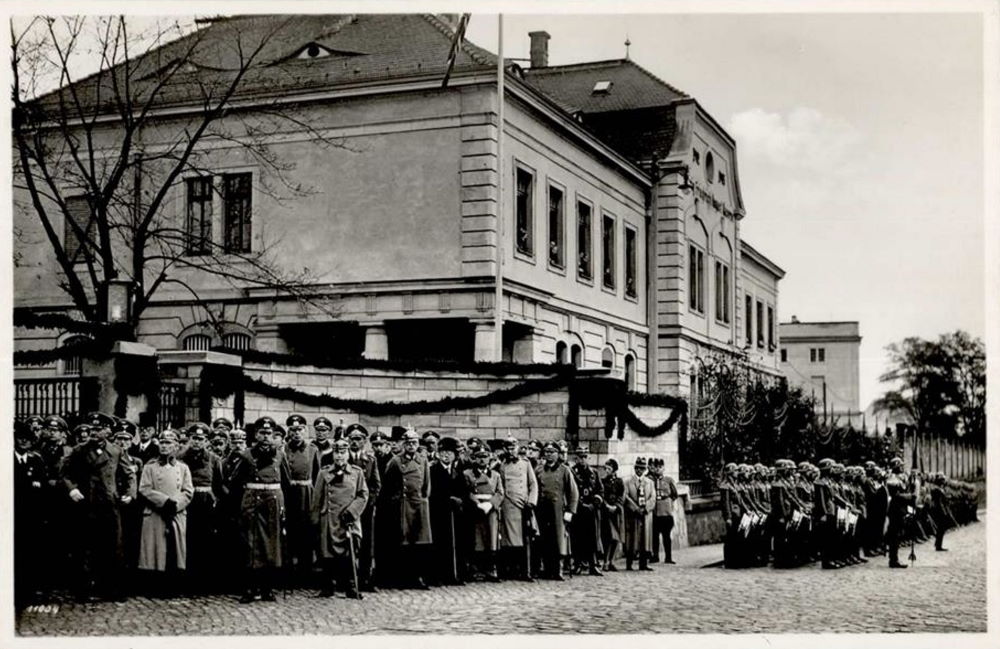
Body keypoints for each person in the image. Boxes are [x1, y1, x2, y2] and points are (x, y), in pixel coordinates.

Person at [60, 411, 130, 602]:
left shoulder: (116, 451)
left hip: (109, 503)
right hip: (87, 504)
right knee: (85, 547)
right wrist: (72, 490)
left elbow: (128, 473)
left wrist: (129, 493)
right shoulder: (79, 450)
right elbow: (64, 473)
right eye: (92, 428)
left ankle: (110, 588)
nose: (93, 432)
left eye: (98, 429)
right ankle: (82, 590)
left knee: (112, 547)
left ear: (107, 431)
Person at [229, 416, 292, 603]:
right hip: (252, 503)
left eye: (269, 433)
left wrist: (283, 506)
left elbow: (286, 482)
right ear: (256, 435)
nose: (265, 437)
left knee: (272, 546)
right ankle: (250, 588)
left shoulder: (280, 455)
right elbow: (235, 482)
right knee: (252, 545)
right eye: (262, 433)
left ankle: (267, 588)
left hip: (273, 503)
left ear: (273, 435)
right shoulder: (247, 455)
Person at [138, 430, 194, 597]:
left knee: (175, 548)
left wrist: (175, 504)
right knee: (155, 550)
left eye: (168, 443)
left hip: (176, 513)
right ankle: (155, 586)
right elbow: (144, 488)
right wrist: (163, 501)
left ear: (176, 446)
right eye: (162, 443)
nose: (164, 446)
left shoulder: (183, 468)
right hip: (156, 512)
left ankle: (173, 585)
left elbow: (188, 491)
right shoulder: (150, 467)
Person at [311, 439, 369, 598]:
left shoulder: (357, 473)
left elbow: (363, 495)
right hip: (329, 519)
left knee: (349, 552)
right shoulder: (324, 473)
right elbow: (317, 498)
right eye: (336, 453)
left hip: (348, 519)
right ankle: (327, 586)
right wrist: (315, 520)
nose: (339, 456)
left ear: (348, 454)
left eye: (342, 453)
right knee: (327, 552)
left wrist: (352, 512)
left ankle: (351, 587)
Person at [381, 429, 433, 588]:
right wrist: (395, 500)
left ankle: (418, 576)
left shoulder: (422, 460)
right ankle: (403, 577)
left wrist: (423, 499)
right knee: (403, 542)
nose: (411, 446)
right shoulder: (396, 461)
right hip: (402, 505)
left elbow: (426, 483)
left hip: (419, 504)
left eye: (414, 443)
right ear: (404, 444)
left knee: (419, 542)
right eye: (408, 443)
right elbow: (388, 485)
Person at [178, 422, 226, 593]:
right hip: (186, 502)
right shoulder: (180, 457)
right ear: (189, 439)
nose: (197, 442)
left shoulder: (213, 459)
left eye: (201, 439)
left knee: (206, 540)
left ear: (206, 441)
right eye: (194, 438)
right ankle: (186, 580)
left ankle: (204, 581)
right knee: (186, 539)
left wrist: (217, 502)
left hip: (206, 504)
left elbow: (218, 484)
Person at [283, 414, 321, 587]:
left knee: (306, 531)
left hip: (306, 495)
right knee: (288, 531)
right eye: (293, 430)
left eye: (300, 429)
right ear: (289, 431)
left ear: (305, 431)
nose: (296, 433)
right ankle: (288, 572)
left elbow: (317, 476)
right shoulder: (283, 449)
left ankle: (305, 571)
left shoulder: (312, 450)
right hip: (288, 494)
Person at [14, 419, 47, 607]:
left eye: (27, 438)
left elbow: (42, 489)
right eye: (21, 438)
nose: (24, 441)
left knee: (30, 553)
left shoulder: (36, 460)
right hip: (13, 516)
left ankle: (28, 591)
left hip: (32, 517)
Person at [534, 442, 579, 581]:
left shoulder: (564, 470)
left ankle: (558, 569)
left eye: (552, 452)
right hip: (542, 509)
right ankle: (546, 569)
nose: (549, 455)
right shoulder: (539, 470)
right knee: (544, 539)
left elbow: (573, 492)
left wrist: (570, 511)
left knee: (559, 539)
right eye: (546, 452)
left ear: (558, 454)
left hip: (558, 510)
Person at [345, 423, 381, 592]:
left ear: (364, 441)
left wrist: (368, 502)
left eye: (359, 439)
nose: (355, 442)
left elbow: (376, 484)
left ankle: (365, 578)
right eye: (352, 438)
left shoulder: (370, 460)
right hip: (346, 508)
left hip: (365, 508)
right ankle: (347, 579)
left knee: (366, 543)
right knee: (347, 542)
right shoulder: (343, 458)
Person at [498, 437, 538, 581]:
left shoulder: (526, 464)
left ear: (517, 448)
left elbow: (533, 484)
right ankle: (510, 570)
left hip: (525, 505)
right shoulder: (502, 466)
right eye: (508, 449)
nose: (511, 451)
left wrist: (531, 502)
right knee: (509, 540)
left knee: (526, 539)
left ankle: (526, 571)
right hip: (509, 504)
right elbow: (500, 486)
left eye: (513, 448)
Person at [429, 436, 467, 585]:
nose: (446, 455)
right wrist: (447, 499)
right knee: (439, 543)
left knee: (455, 543)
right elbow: (431, 492)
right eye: (443, 452)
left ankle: (454, 574)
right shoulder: (432, 471)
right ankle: (438, 575)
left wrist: (459, 500)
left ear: (454, 455)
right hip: (438, 513)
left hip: (454, 513)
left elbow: (463, 492)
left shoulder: (458, 472)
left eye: (449, 453)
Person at [112, 423, 144, 579]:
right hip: (113, 501)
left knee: (130, 537)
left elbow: (139, 482)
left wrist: (130, 496)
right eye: (119, 439)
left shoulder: (136, 461)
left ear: (131, 442)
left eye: (126, 439)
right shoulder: (109, 457)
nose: (122, 442)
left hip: (130, 504)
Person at [570, 446, 604, 576]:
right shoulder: (572, 472)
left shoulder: (593, 473)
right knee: (577, 538)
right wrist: (580, 504)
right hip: (578, 510)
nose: (583, 460)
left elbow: (600, 489)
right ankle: (578, 564)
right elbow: (571, 491)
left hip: (591, 510)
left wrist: (596, 501)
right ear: (576, 458)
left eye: (585, 457)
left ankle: (593, 565)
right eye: (580, 457)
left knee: (592, 538)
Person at [623, 457, 655, 571]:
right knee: (631, 538)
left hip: (645, 515)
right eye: (637, 468)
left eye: (642, 468)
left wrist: (646, 508)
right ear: (634, 468)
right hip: (633, 514)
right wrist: (635, 508)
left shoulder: (650, 483)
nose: (639, 470)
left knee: (645, 538)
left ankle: (643, 563)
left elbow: (653, 498)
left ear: (645, 470)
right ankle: (629, 563)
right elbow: (625, 497)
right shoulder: (628, 482)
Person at [649, 457, 678, 565]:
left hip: (666, 512)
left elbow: (674, 494)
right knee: (655, 536)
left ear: (664, 468)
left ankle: (668, 557)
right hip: (655, 513)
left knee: (666, 536)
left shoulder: (668, 480)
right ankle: (655, 556)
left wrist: (668, 502)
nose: (658, 469)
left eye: (660, 467)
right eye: (656, 467)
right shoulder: (651, 481)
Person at [600, 458, 625, 572]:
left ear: (614, 470)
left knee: (616, 538)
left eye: (609, 469)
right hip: (606, 513)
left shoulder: (619, 482)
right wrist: (606, 506)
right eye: (606, 468)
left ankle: (611, 561)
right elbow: (601, 495)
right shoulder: (603, 481)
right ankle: (605, 561)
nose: (606, 471)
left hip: (616, 512)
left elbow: (621, 496)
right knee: (608, 536)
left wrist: (616, 506)